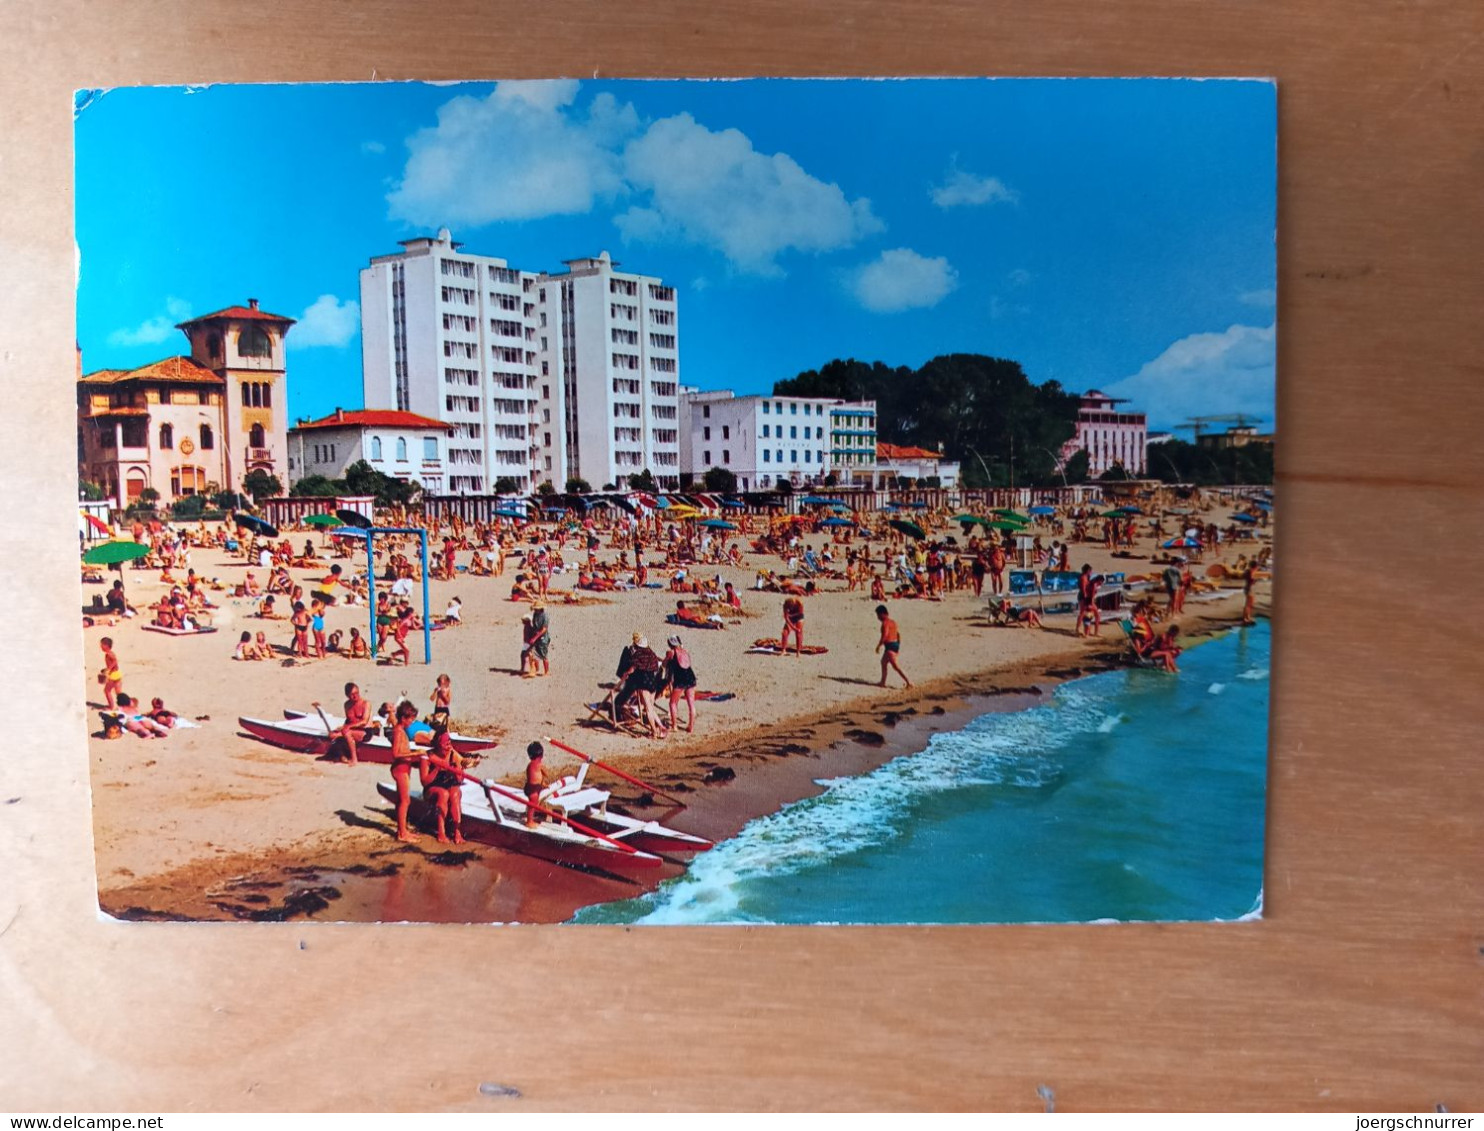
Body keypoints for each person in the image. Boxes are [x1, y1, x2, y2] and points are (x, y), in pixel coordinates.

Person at [388, 700, 423, 842]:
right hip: (400, 769)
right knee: (405, 801)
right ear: (403, 718)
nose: (412, 723)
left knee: (402, 800)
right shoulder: (398, 731)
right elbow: (395, 754)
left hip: (404, 767)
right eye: (411, 720)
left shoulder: (401, 730)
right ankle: (402, 834)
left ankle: (403, 830)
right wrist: (414, 754)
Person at [663, 635, 698, 733]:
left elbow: (664, 664)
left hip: (680, 679)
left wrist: (666, 659)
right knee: (691, 703)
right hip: (690, 677)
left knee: (673, 703)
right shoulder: (685, 651)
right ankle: (691, 726)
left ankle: (674, 726)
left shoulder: (671, 652)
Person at [874, 605, 910, 687]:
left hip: (890, 646)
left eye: (878, 615)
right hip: (894, 644)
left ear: (882, 614)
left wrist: (879, 645)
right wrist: (897, 645)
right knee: (883, 662)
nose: (878, 617)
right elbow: (898, 634)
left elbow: (885, 635)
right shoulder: (893, 622)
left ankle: (909, 682)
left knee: (896, 666)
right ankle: (882, 682)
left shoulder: (885, 623)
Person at [523, 741, 547, 826]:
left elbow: (535, 776)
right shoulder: (538, 764)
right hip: (533, 789)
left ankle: (531, 816)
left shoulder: (531, 764)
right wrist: (546, 775)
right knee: (532, 805)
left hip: (530, 786)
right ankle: (529, 822)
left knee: (533, 804)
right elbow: (545, 773)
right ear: (541, 755)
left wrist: (542, 783)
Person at [98, 637, 123, 709]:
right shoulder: (111, 653)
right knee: (118, 692)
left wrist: (108, 669)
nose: (100, 646)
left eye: (102, 645)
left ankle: (111, 706)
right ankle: (123, 706)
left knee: (107, 691)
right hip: (117, 674)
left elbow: (115, 661)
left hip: (113, 675)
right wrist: (106, 669)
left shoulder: (109, 654)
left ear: (106, 646)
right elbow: (113, 663)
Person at [527, 602, 551, 677]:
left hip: (543, 638)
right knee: (532, 653)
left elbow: (544, 629)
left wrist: (534, 638)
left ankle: (546, 672)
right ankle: (535, 669)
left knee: (544, 655)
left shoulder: (545, 616)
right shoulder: (535, 614)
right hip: (536, 635)